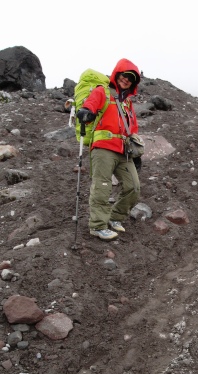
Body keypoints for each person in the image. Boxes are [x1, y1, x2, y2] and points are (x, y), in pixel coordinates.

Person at [76, 59, 141, 240]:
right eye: (125, 75)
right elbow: (90, 105)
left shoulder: (127, 103)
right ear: (117, 74)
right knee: (102, 186)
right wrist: (86, 111)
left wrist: (136, 151)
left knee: (133, 186)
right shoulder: (102, 91)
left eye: (131, 78)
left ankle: (115, 217)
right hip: (103, 147)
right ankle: (98, 226)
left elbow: (133, 128)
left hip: (124, 151)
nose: (126, 80)